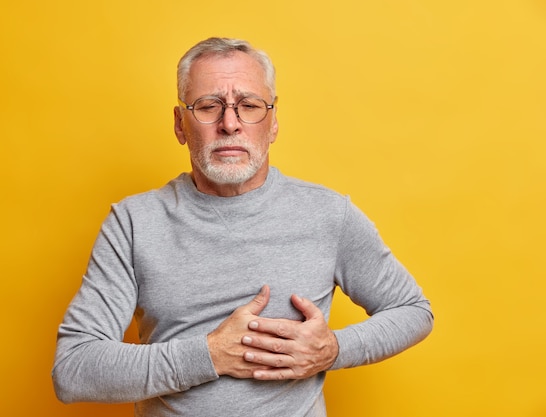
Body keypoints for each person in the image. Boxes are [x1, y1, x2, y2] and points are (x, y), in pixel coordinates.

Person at [52, 37, 433, 417]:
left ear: (273, 123)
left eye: (249, 106)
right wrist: (210, 355)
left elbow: (413, 310)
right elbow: (73, 368)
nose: (229, 124)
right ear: (180, 124)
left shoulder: (328, 214)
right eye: (208, 106)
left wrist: (333, 349)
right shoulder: (133, 223)